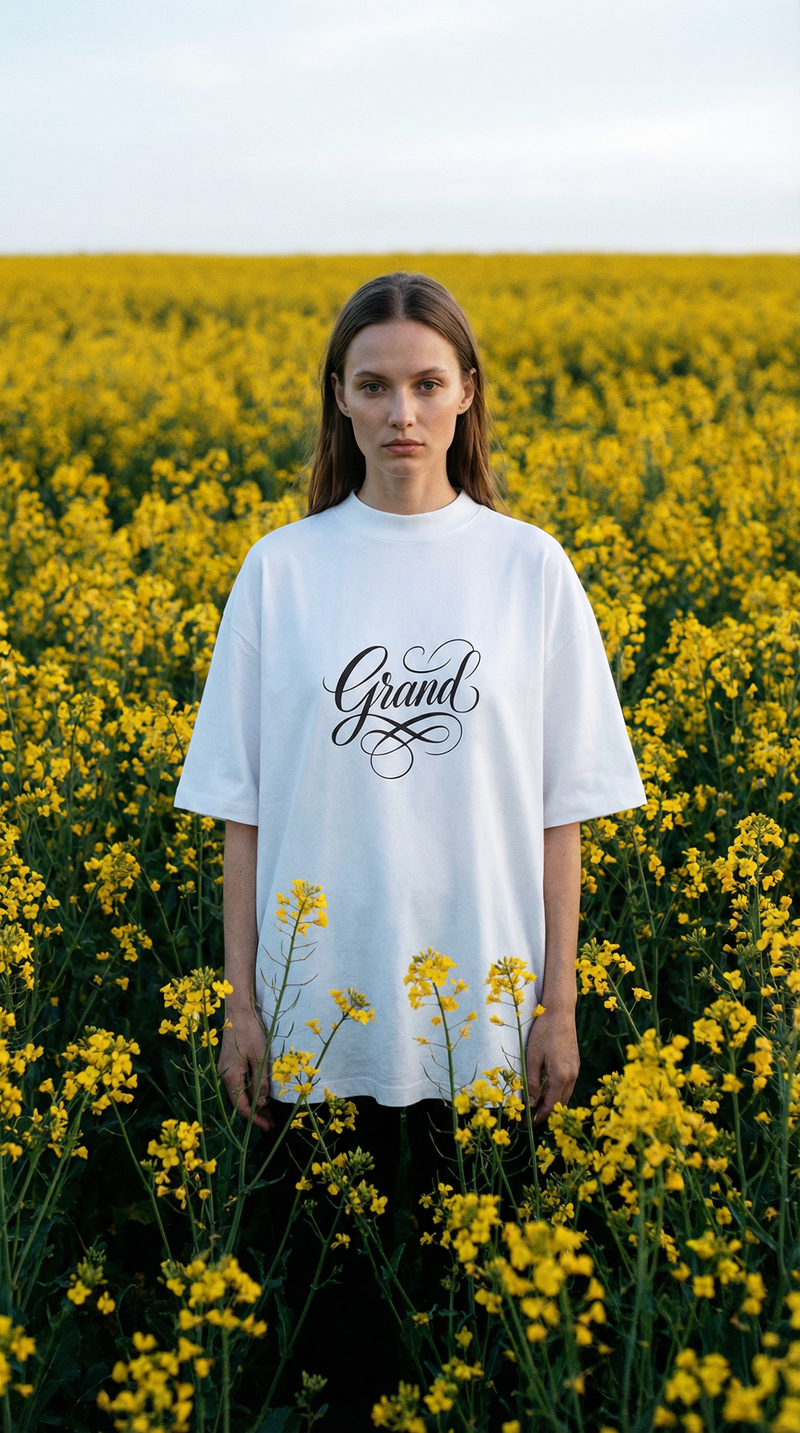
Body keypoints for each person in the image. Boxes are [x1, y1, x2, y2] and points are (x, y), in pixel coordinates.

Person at [174, 271, 646, 1419]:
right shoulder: (278, 570)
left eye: (426, 384)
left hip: (479, 1018)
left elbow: (560, 809)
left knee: (471, 1330)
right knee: (339, 1337)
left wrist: (558, 1006)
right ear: (336, 397)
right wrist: (244, 1001)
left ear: (466, 394)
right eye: (374, 385)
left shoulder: (526, 565)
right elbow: (241, 809)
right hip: (320, 1016)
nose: (401, 413)